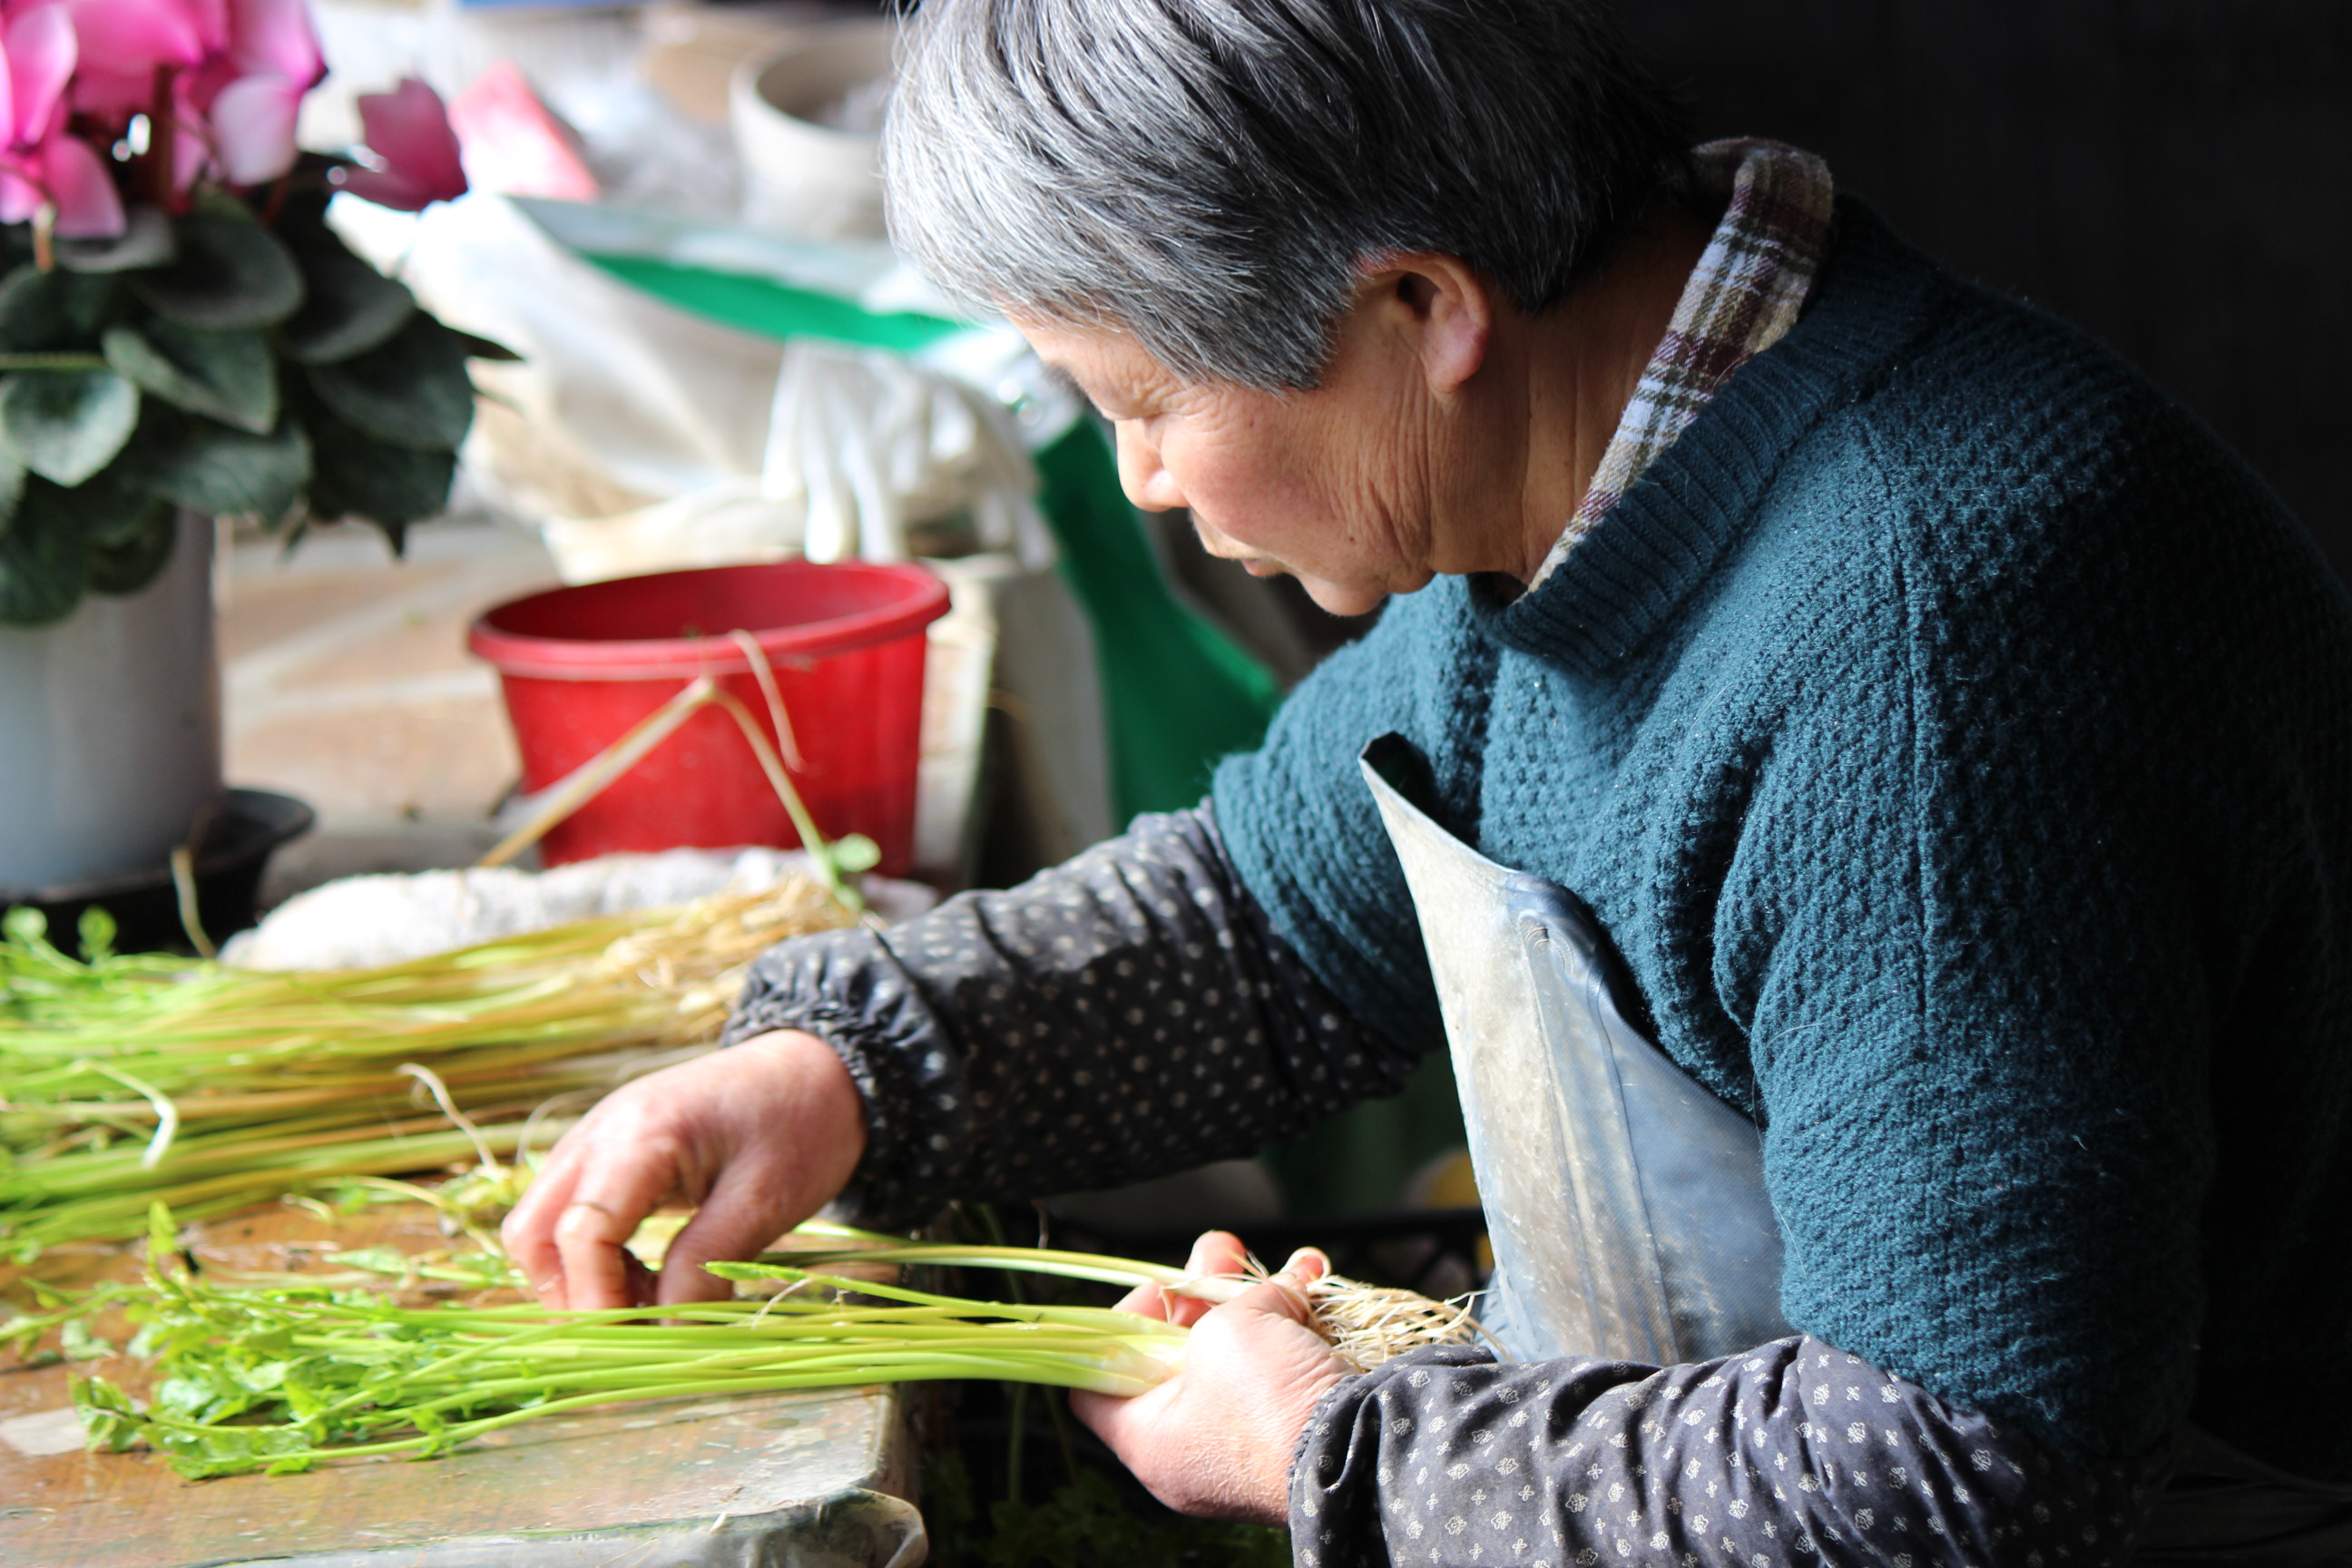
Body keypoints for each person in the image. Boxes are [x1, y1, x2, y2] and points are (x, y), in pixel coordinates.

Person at [505, 2, 2352, 1562]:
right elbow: (1269, 921)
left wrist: (1335, 1447)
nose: (1145, 481)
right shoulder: (1575, 473)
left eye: (1147, 405)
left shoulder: (1935, 655)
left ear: (1415, 306)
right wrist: (845, 1070)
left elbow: (1971, 1469)